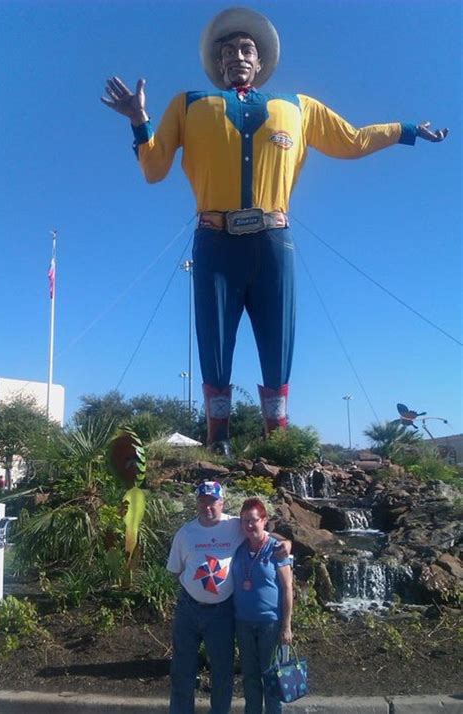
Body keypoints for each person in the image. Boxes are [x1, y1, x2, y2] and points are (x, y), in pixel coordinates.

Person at [101, 7, 448, 455]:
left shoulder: (298, 107)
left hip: (273, 238)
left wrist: (405, 130)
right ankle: (218, 437)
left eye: (246, 49)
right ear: (218, 63)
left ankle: (277, 438)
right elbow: (153, 168)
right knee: (214, 336)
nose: (237, 56)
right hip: (214, 236)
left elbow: (352, 140)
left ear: (260, 61)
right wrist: (138, 119)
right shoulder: (186, 104)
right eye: (227, 51)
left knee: (277, 335)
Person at [166, 481, 290, 714]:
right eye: (203, 501)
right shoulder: (185, 533)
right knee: (182, 669)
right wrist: (195, 590)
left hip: (222, 613)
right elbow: (176, 571)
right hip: (188, 610)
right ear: (197, 503)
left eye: (213, 502)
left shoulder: (234, 525)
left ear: (222, 503)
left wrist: (286, 542)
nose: (208, 507)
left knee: (222, 672)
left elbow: (260, 530)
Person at [233, 498, 293, 714]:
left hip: (270, 623)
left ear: (264, 520)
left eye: (254, 520)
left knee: (270, 676)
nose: (249, 525)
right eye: (245, 521)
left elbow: (287, 589)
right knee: (250, 677)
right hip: (244, 622)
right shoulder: (239, 549)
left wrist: (286, 626)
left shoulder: (276, 550)